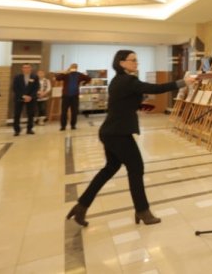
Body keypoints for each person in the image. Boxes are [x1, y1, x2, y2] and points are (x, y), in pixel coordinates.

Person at [66, 50, 195, 228]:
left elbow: (123, 102)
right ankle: (142, 211)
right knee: (136, 169)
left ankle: (81, 206)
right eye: (132, 60)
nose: (136, 63)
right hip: (118, 134)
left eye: (137, 60)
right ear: (122, 62)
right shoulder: (128, 80)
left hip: (111, 132)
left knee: (110, 169)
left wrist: (140, 106)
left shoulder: (118, 80)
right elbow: (154, 89)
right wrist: (183, 82)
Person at [54, 63, 91, 130]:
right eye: (72, 66)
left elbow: (89, 78)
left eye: (75, 66)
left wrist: (83, 83)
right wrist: (66, 71)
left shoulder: (79, 75)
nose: (74, 67)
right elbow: (57, 78)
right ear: (70, 67)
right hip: (66, 96)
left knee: (74, 111)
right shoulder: (66, 74)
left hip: (75, 96)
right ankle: (63, 126)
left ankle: (73, 125)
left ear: (77, 67)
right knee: (64, 112)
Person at [12, 63, 39, 136]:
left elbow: (36, 88)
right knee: (17, 114)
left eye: (28, 67)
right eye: (24, 67)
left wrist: (30, 97)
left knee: (31, 114)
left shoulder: (35, 77)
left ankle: (29, 129)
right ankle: (17, 130)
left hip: (31, 99)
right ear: (22, 69)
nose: (26, 69)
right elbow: (15, 88)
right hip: (19, 98)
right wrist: (23, 96)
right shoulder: (17, 77)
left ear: (30, 69)